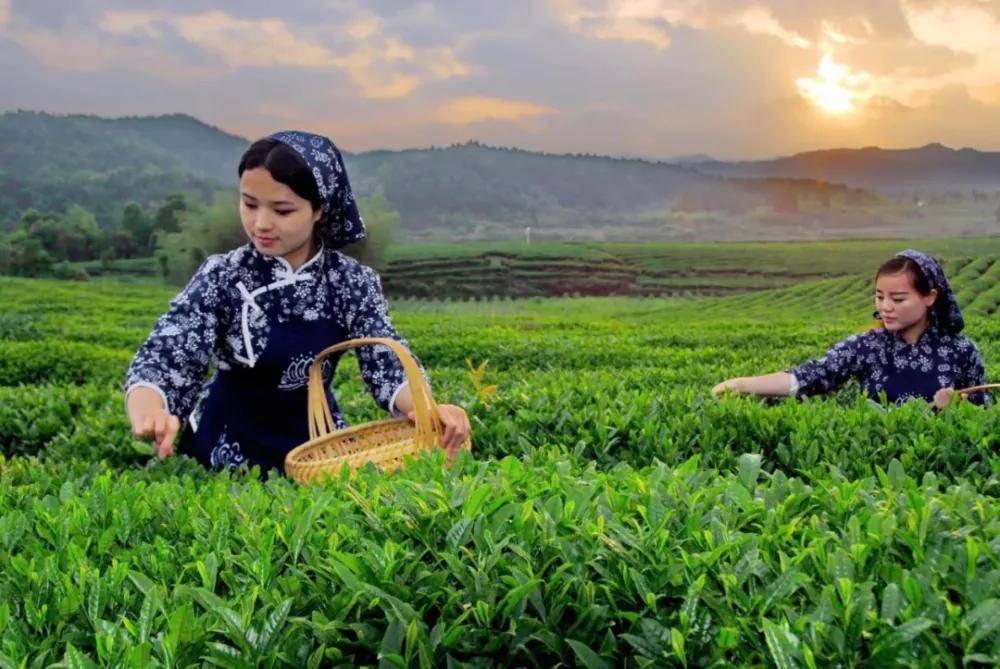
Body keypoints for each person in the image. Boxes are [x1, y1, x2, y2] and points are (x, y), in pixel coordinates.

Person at [125, 131, 470, 474]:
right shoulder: (223, 275)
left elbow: (386, 361)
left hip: (317, 448)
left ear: (319, 209)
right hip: (222, 449)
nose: (261, 224)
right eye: (249, 204)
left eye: (283, 210)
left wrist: (427, 408)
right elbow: (169, 352)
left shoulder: (351, 282)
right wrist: (150, 406)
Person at [712, 249, 989, 408]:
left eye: (898, 299)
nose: (886, 307)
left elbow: (985, 410)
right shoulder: (868, 346)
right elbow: (809, 376)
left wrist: (958, 407)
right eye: (880, 297)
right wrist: (740, 384)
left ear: (929, 297)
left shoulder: (961, 351)